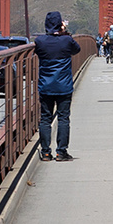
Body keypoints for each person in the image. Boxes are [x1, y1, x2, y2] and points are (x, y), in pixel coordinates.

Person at [34, 10, 79, 162]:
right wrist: (64, 32)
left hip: (46, 86)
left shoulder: (40, 41)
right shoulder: (66, 41)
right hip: (64, 86)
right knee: (63, 118)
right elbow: (77, 49)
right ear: (60, 25)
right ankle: (61, 152)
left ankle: (46, 152)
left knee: (45, 119)